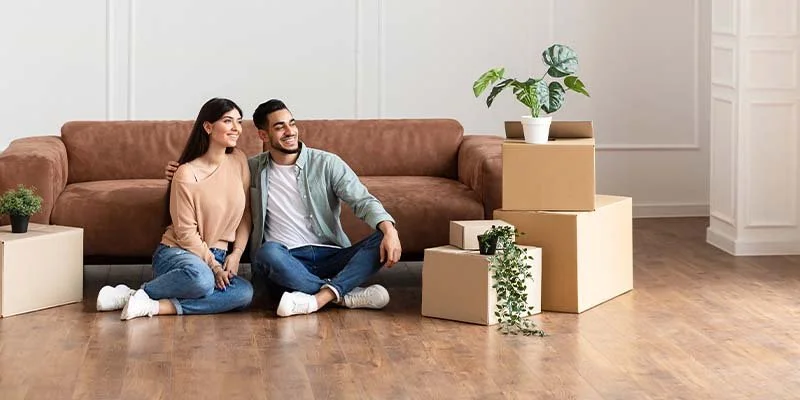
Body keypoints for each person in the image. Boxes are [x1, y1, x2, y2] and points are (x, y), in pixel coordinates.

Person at [166, 99, 403, 318]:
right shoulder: (250, 167)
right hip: (284, 259)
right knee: (267, 252)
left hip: (330, 253)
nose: (290, 132)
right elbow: (213, 175)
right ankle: (343, 292)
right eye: (279, 127)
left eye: (292, 124)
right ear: (263, 135)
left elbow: (363, 201)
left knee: (383, 234)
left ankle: (320, 297)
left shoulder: (327, 163)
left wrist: (389, 230)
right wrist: (180, 170)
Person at [97, 97, 253, 320]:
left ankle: (151, 305)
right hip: (180, 252)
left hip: (218, 255)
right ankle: (141, 292)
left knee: (244, 293)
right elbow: (185, 233)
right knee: (202, 280)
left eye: (239, 121)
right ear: (208, 127)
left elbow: (246, 213)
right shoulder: (186, 173)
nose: (236, 128)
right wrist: (214, 266)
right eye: (228, 121)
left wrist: (236, 254)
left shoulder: (238, 160)